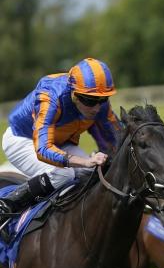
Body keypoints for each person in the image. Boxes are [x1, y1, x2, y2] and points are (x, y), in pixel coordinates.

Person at [0, 57, 120, 225]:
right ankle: (7, 205)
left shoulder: (99, 104)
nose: (96, 108)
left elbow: (117, 139)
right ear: (74, 93)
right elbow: (43, 150)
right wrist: (85, 161)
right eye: (90, 100)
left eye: (103, 99)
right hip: (22, 140)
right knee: (65, 173)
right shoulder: (51, 97)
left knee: (93, 174)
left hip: (60, 142)